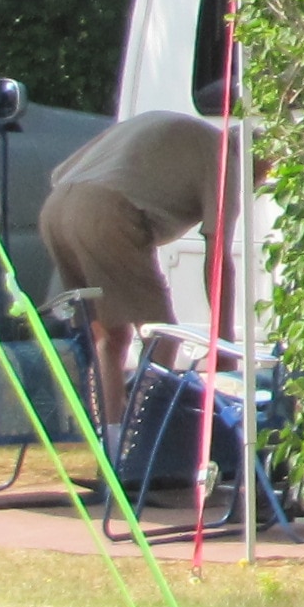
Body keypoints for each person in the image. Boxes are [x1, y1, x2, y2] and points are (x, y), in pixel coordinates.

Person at [40, 105, 265, 426]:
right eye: (263, 174)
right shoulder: (226, 160)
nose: (257, 186)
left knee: (110, 336)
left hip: (56, 210)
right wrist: (224, 346)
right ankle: (144, 437)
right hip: (106, 214)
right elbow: (218, 260)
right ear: (252, 162)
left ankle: (112, 441)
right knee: (162, 335)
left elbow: (60, 173)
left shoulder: (174, 127)